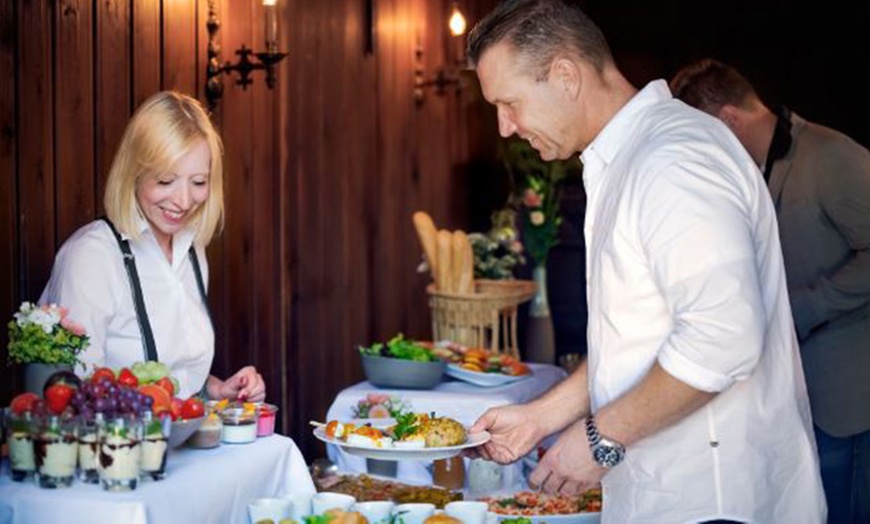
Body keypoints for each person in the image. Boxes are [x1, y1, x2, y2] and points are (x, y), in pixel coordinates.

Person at [464, 1, 826, 522]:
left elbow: (723, 337)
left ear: (565, 75)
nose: (504, 127)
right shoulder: (629, 156)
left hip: (716, 501)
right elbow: (632, 341)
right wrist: (540, 417)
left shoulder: (672, 158)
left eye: (510, 103)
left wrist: (599, 438)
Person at [670, 58, 870, 524]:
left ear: (727, 120)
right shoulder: (749, 170)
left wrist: (805, 306)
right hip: (788, 398)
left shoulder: (831, 155)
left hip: (845, 400)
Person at [40, 91, 265, 402]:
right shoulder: (91, 256)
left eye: (198, 182)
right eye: (165, 181)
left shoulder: (193, 250)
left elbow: (175, 374)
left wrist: (216, 389)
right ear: (134, 172)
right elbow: (71, 393)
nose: (184, 201)